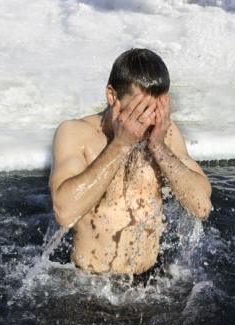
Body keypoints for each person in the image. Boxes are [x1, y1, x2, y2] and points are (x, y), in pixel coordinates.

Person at [49, 48, 212, 275]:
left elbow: (201, 207)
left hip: (150, 285)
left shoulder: (165, 133)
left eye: (156, 110)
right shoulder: (76, 134)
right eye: (140, 110)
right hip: (87, 286)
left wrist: (159, 147)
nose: (149, 121)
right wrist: (120, 144)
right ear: (112, 95)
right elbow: (65, 212)